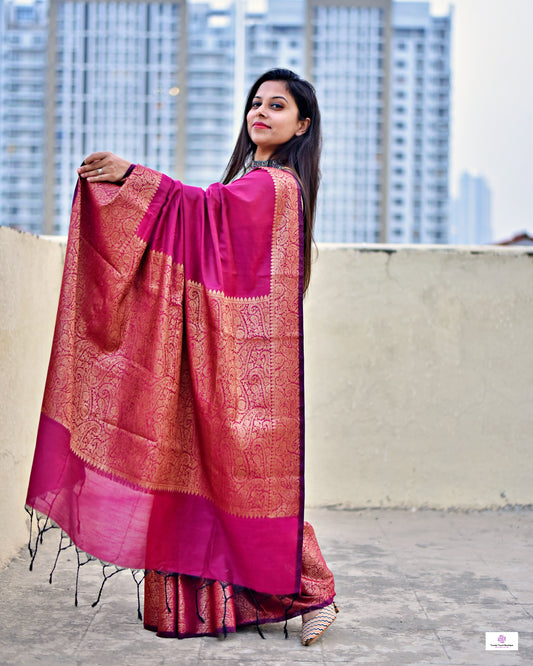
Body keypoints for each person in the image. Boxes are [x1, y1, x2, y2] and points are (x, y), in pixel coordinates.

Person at [26, 69, 337, 646]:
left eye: (278, 105)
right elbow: (203, 227)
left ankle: (315, 592)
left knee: (243, 480)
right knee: (198, 469)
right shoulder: (249, 182)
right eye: (256, 103)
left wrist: (132, 178)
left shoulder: (276, 186)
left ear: (302, 126)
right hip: (211, 351)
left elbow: (199, 211)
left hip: (238, 365)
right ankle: (206, 605)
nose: (261, 112)